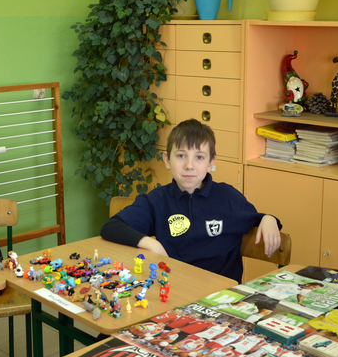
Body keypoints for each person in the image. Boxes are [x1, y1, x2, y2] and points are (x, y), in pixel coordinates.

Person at [101, 119, 282, 282]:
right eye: (181, 155)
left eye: (199, 157)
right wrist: (152, 244)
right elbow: (112, 227)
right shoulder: (157, 200)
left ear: (211, 162)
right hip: (175, 290)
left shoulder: (228, 197)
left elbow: (256, 218)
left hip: (222, 295)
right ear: (167, 160)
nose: (189, 165)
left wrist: (268, 218)